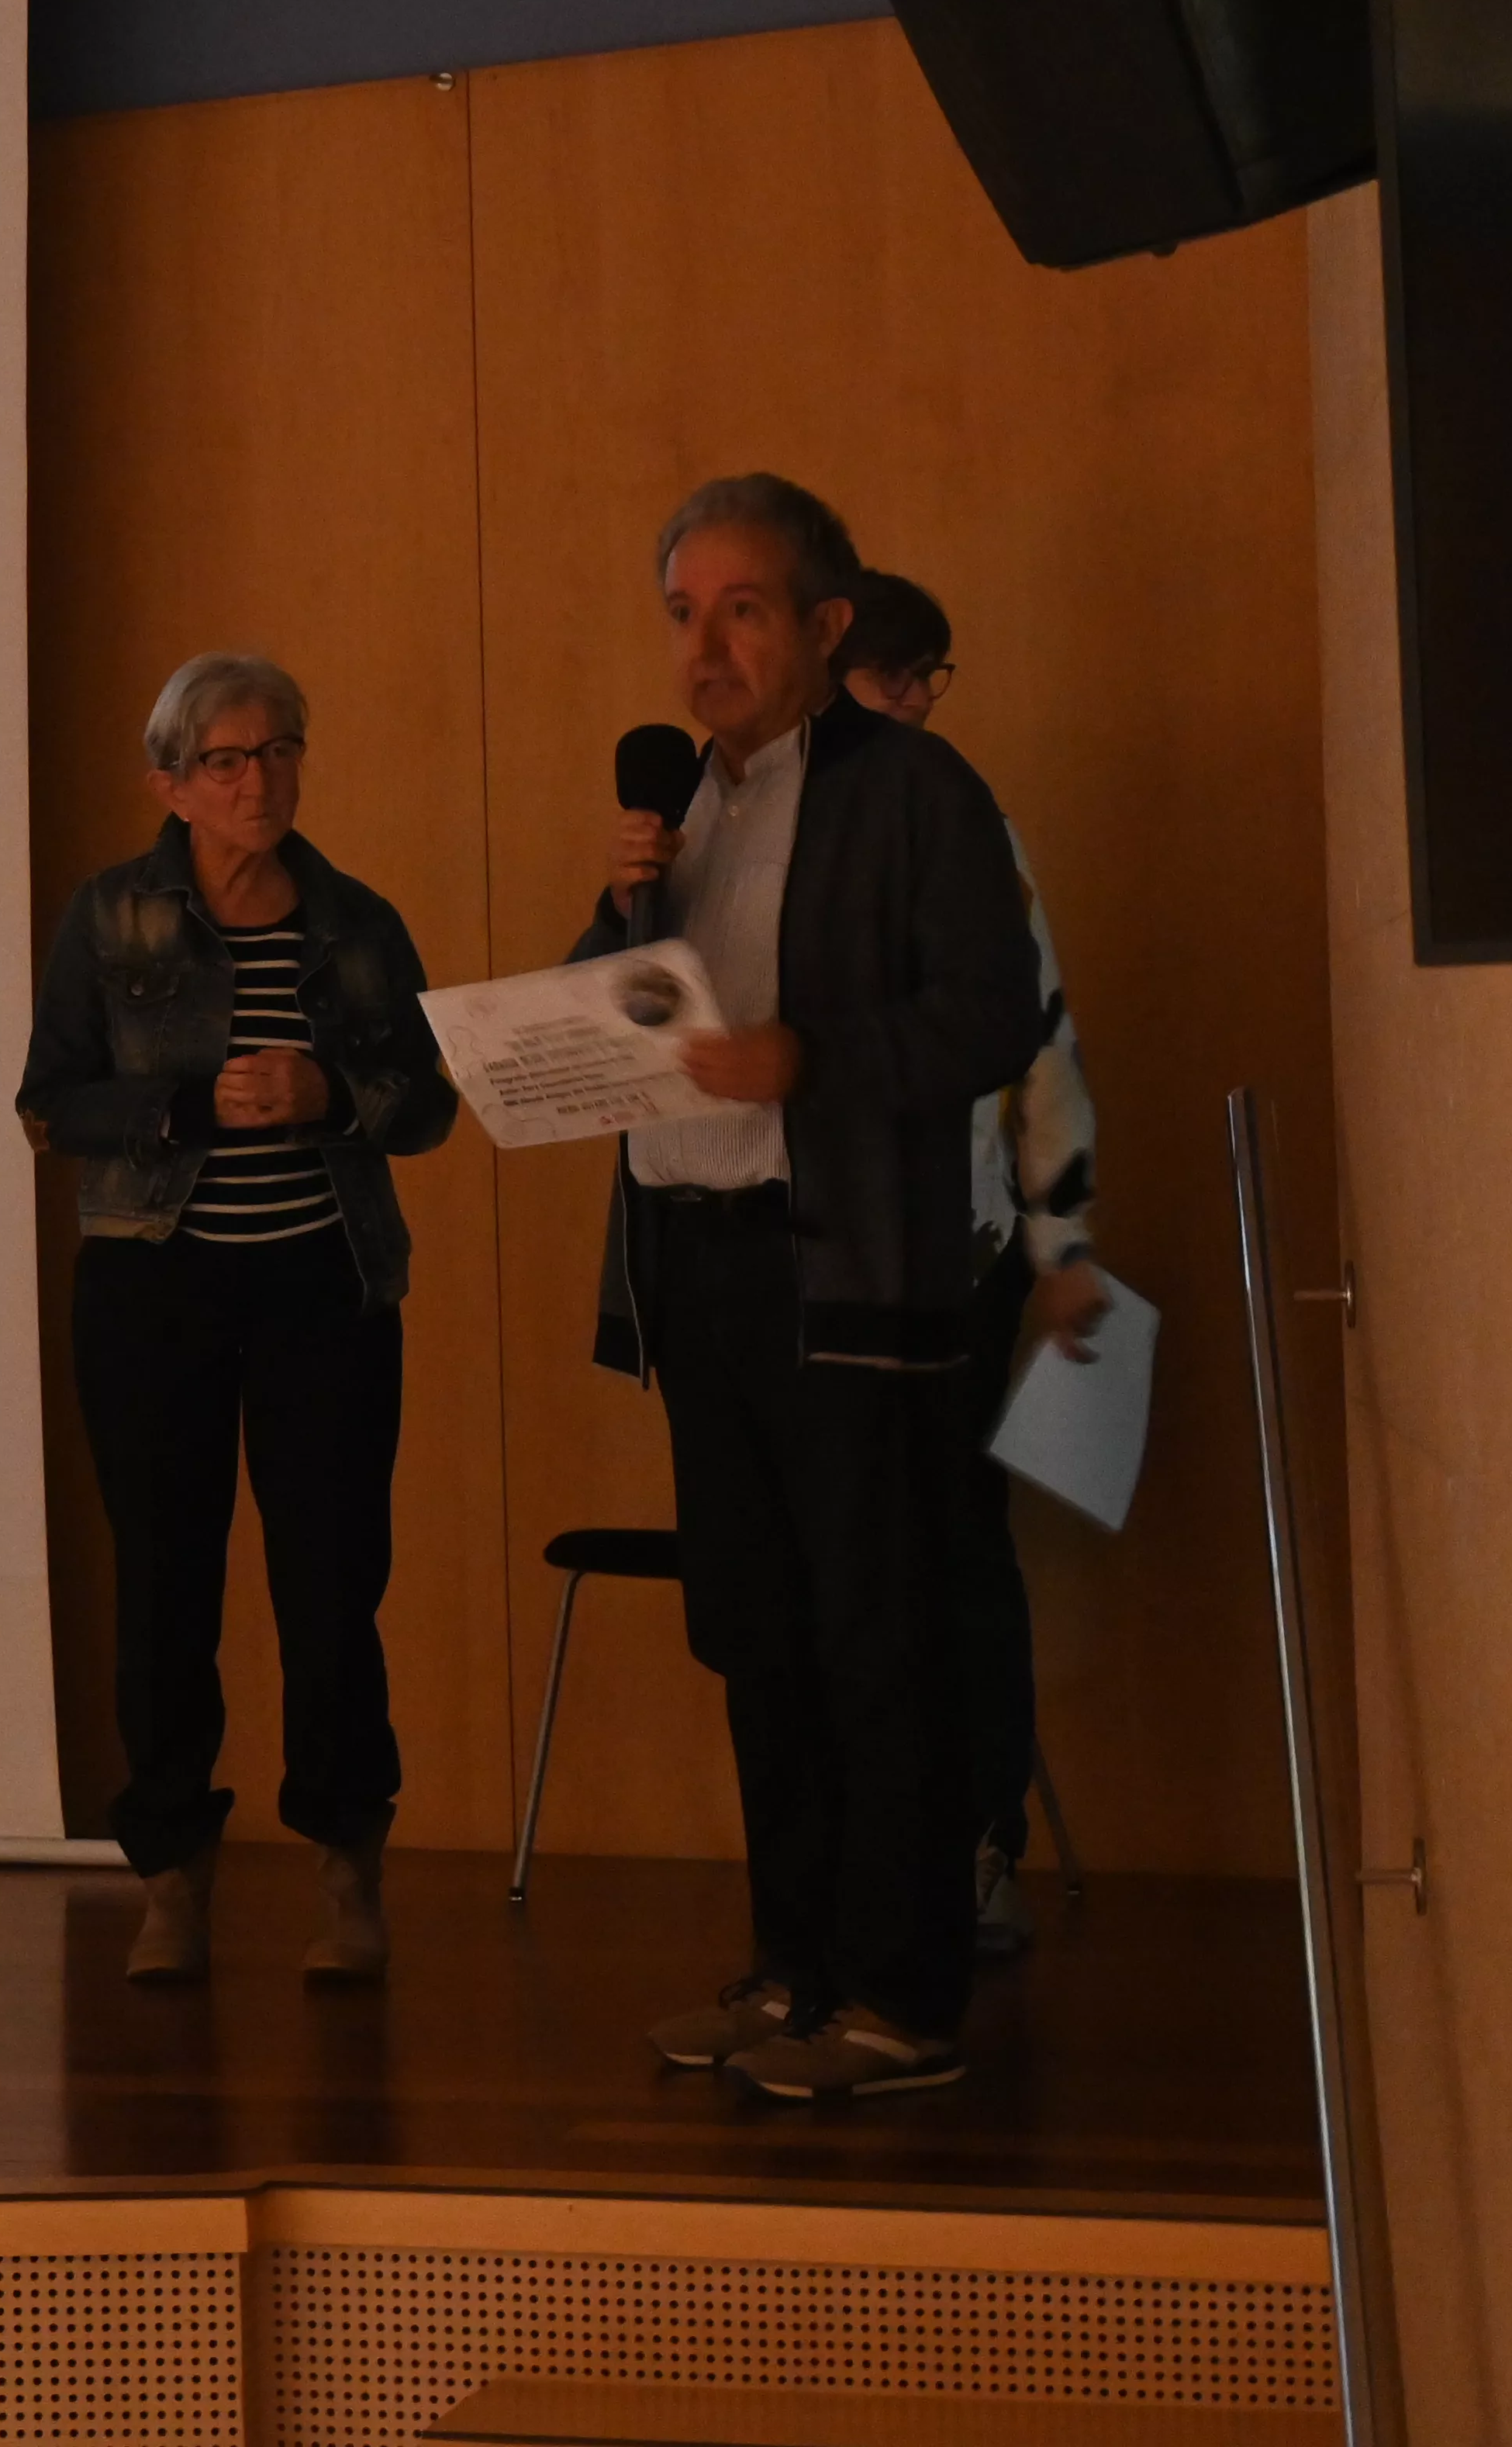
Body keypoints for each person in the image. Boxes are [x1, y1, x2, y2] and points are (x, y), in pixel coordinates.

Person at [578, 479, 1044, 2097]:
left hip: (843, 1275)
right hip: (697, 1268)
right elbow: (615, 1022)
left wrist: (815, 1059)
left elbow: (994, 1013)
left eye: (742, 610)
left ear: (826, 624)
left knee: (873, 1639)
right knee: (758, 1638)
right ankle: (795, 1972)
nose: (704, 649)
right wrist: (617, 910)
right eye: (682, 615)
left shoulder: (915, 790)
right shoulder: (678, 814)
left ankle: (903, 1999)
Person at [18, 654, 459, 1984]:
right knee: (167, 1589)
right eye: (226, 760)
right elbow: (50, 1104)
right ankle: (172, 1880)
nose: (259, 782)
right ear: (172, 784)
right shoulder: (112, 916)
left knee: (333, 1584)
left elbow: (430, 1101)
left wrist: (335, 1096)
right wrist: (190, 1106)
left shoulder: (358, 921)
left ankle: (347, 1867)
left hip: (326, 1289)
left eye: (279, 751)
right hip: (156, 1291)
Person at [834, 569, 1107, 1954]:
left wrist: (1064, 1244)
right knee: (843, 1571)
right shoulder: (745, 818)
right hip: (802, 1253)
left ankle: (982, 1844)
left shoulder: (965, 822)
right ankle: (851, 1871)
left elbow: (1041, 1045)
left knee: (953, 1552)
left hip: (962, 1240)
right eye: (899, 675)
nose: (922, 701)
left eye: (933, 675)